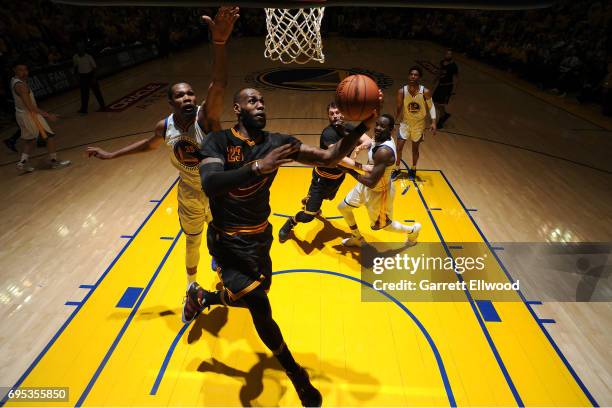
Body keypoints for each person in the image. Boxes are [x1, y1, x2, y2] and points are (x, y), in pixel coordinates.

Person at [184, 87, 380, 407]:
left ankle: (204, 297)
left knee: (250, 299)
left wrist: (362, 127)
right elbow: (210, 183)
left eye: (262, 101)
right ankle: (296, 375)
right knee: (261, 308)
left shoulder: (277, 142)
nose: (260, 105)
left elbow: (329, 157)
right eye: (252, 101)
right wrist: (258, 167)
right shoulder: (218, 141)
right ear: (237, 107)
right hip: (227, 242)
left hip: (259, 240)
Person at [85, 7, 239, 305]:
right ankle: (192, 288)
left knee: (222, 235)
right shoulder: (164, 126)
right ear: (170, 102)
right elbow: (148, 145)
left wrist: (219, 44)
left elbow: (218, 84)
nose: (188, 98)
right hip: (190, 191)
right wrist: (111, 154)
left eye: (190, 94)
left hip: (218, 189)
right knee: (192, 240)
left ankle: (221, 263)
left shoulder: (206, 118)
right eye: (180, 95)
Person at [277, 101, 372, 243]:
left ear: (343, 114)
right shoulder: (328, 134)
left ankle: (311, 200)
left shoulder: (350, 128)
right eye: (331, 114)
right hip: (321, 180)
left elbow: (368, 139)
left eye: (337, 112)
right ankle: (291, 222)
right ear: (328, 117)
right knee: (309, 215)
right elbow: (338, 158)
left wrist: (362, 145)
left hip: (338, 178)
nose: (335, 116)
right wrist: (362, 167)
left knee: (328, 199)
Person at [339, 114, 421, 246]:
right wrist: (361, 145)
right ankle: (357, 238)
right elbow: (371, 141)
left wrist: (349, 170)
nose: (377, 128)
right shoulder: (380, 137)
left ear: (391, 129)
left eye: (382, 126)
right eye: (377, 124)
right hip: (366, 183)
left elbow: (372, 183)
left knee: (385, 226)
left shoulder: (384, 152)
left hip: (379, 192)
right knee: (343, 208)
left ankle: (412, 230)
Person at [12, 62, 70, 172]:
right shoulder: (21, 86)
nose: (24, 73)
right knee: (49, 136)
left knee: (31, 140)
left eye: (25, 69)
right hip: (30, 115)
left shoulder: (13, 80)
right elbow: (30, 107)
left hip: (21, 114)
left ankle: (22, 163)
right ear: (14, 70)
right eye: (20, 70)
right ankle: (54, 162)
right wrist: (48, 115)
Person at [393, 66, 436, 180]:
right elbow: (398, 108)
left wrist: (433, 121)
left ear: (419, 77)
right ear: (408, 76)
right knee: (398, 148)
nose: (413, 76)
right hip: (405, 123)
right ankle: (397, 169)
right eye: (411, 74)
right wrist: (393, 122)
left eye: (416, 75)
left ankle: (413, 169)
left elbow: (431, 107)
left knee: (415, 149)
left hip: (419, 124)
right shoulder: (402, 91)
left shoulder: (425, 91)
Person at [73, 42, 106, 114]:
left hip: (90, 75)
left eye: (81, 47)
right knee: (84, 94)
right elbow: (75, 67)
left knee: (97, 92)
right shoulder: (75, 57)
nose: (80, 49)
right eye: (78, 47)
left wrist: (94, 77)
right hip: (82, 77)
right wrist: (76, 77)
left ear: (83, 48)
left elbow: (94, 68)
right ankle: (84, 109)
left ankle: (103, 106)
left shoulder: (89, 57)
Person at [433, 49, 458, 129]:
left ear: (452, 56)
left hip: (447, 87)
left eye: (449, 54)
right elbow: (440, 72)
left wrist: (454, 91)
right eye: (447, 54)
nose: (448, 55)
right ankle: (445, 114)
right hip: (440, 85)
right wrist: (435, 79)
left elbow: (456, 78)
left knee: (440, 104)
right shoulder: (442, 62)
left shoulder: (453, 66)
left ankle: (441, 121)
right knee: (435, 102)